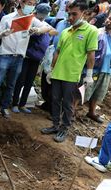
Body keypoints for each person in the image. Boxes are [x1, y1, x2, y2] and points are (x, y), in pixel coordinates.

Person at [0, 0, 54, 118]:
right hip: (5, 55)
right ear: (21, 3)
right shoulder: (7, 18)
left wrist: (37, 30)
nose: (31, 6)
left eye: (33, 4)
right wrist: (3, 34)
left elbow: (47, 27)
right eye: (29, 3)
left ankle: (4, 107)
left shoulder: (31, 19)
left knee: (11, 84)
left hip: (19, 57)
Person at [41, 0, 98, 143]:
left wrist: (89, 74)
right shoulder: (65, 31)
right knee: (54, 100)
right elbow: (57, 52)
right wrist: (51, 70)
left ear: (84, 14)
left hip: (72, 75)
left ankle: (64, 128)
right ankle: (55, 125)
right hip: (58, 73)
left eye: (74, 14)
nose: (70, 17)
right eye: (69, 14)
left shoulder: (91, 31)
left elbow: (91, 54)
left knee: (67, 103)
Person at [12, 3, 55, 114]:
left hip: (36, 58)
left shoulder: (44, 24)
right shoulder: (31, 21)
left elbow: (54, 31)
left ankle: (22, 104)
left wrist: (45, 29)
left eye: (46, 14)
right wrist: (38, 30)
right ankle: (15, 103)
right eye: (43, 13)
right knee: (21, 80)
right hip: (27, 56)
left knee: (29, 81)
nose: (44, 16)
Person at [84, 13, 111, 123]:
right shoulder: (98, 32)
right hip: (94, 68)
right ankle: (71, 111)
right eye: (109, 18)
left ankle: (91, 112)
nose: (109, 21)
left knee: (99, 92)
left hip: (107, 70)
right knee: (84, 91)